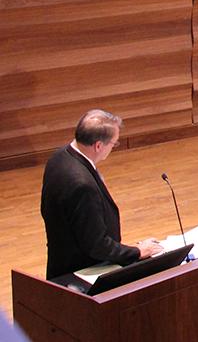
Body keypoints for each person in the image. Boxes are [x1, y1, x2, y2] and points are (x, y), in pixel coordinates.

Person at [41, 109, 162, 279]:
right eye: (114, 143)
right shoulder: (83, 185)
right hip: (83, 272)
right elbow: (97, 245)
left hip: (59, 259)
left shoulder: (58, 157)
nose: (113, 147)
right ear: (98, 145)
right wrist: (137, 251)